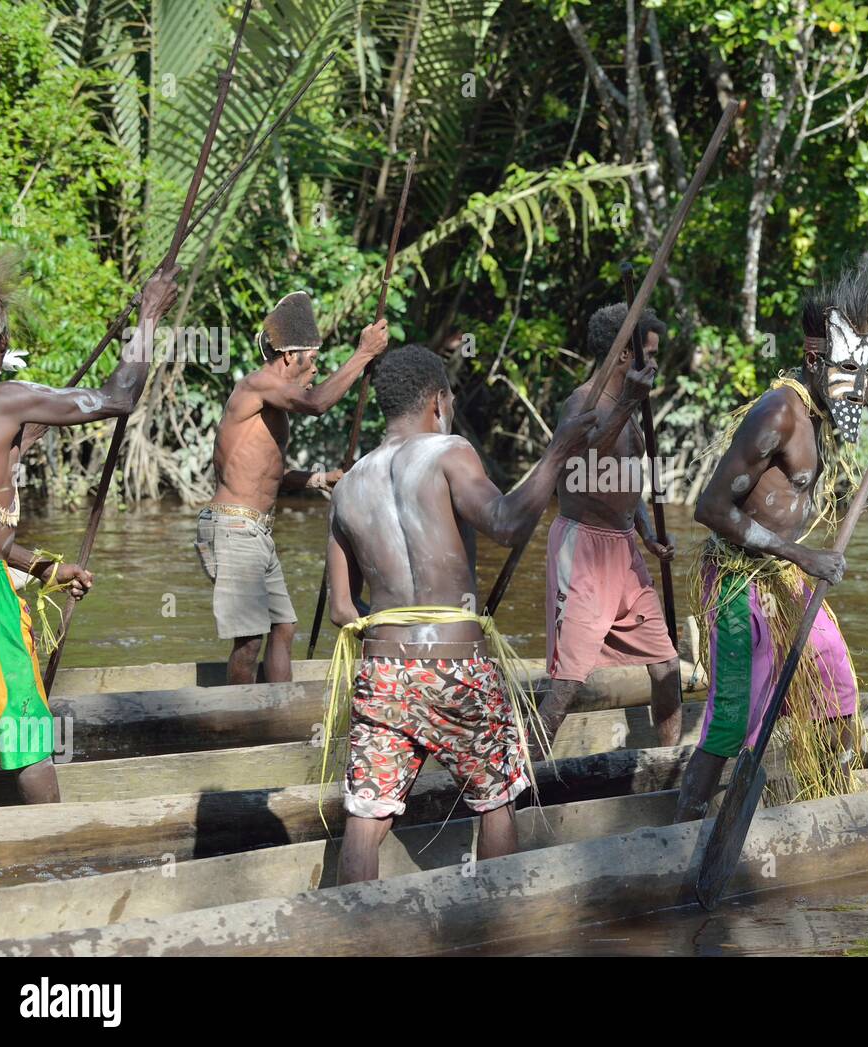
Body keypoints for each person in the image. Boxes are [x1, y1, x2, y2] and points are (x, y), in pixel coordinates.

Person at [675, 254, 868, 820]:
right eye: (846, 373)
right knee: (733, 717)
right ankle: (684, 825)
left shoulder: (828, 390)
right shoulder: (778, 415)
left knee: (835, 689)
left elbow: (864, 386)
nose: (856, 388)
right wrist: (800, 552)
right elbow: (710, 507)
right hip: (736, 580)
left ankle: (824, 808)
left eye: (860, 371)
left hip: (783, 573)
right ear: (813, 358)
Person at [324, 343, 597, 883]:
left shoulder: (349, 483)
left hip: (383, 673)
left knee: (365, 817)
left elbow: (339, 609)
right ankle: (494, 923)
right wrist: (559, 449)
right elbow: (505, 523)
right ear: (439, 401)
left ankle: (354, 931)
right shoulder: (449, 451)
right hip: (456, 668)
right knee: (495, 799)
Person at [0, 251, 178, 801]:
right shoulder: (1, 400)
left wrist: (47, 569)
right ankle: (54, 846)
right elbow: (118, 398)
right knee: (29, 728)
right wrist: (149, 318)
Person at [197, 290, 389, 685]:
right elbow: (318, 403)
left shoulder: (272, 405)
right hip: (232, 526)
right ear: (289, 356)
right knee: (250, 639)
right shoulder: (258, 385)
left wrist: (318, 479)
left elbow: (266, 475)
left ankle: (277, 713)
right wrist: (363, 354)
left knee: (283, 627)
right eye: (313, 359)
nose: (316, 368)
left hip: (255, 530)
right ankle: (240, 725)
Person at [537, 302, 679, 752]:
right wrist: (630, 404)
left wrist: (647, 533)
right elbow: (581, 458)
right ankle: (519, 787)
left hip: (623, 551)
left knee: (667, 667)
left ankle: (666, 768)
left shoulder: (627, 408)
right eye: (649, 354)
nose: (654, 364)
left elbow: (624, 482)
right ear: (623, 356)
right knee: (566, 683)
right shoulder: (583, 401)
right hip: (583, 550)